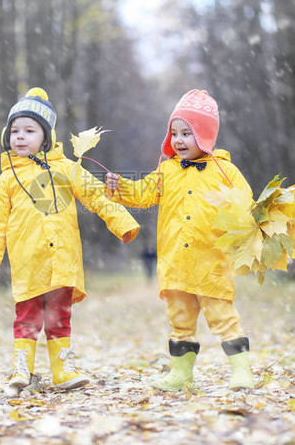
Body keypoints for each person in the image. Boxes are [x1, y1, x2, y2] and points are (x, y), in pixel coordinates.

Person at [0, 87, 140, 396]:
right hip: (28, 262)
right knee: (26, 315)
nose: (20, 137)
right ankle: (21, 367)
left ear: (46, 137)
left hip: (63, 260)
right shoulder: (7, 179)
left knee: (58, 315)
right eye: (15, 131)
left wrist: (123, 223)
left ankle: (62, 368)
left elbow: (95, 196)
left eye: (29, 130)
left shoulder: (67, 170)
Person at [106, 89, 255, 391]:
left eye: (187, 133)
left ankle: (241, 370)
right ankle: (181, 373)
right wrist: (120, 187)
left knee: (223, 317)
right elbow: (143, 194)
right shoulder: (167, 171)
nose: (178, 140)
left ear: (205, 135)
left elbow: (245, 204)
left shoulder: (225, 172)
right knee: (180, 321)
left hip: (212, 263)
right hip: (176, 264)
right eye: (174, 133)